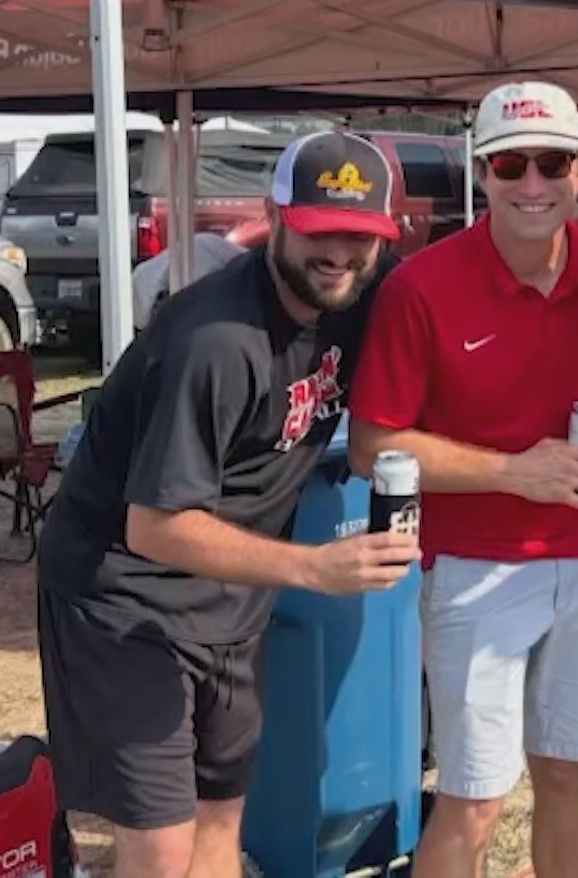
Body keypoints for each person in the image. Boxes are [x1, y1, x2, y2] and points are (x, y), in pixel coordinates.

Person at [34, 132, 415, 877]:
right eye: (317, 231)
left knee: (222, 816)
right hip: (125, 598)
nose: (337, 253)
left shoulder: (363, 293)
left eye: (358, 235)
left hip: (232, 598)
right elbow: (154, 524)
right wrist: (314, 567)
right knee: (162, 841)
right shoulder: (214, 341)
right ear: (275, 219)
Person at [348, 81, 578, 878]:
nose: (531, 185)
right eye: (509, 164)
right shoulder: (421, 286)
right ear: (479, 174)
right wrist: (516, 471)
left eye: (551, 163)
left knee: (565, 768)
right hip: (474, 567)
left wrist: (564, 455)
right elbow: (372, 443)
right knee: (474, 795)